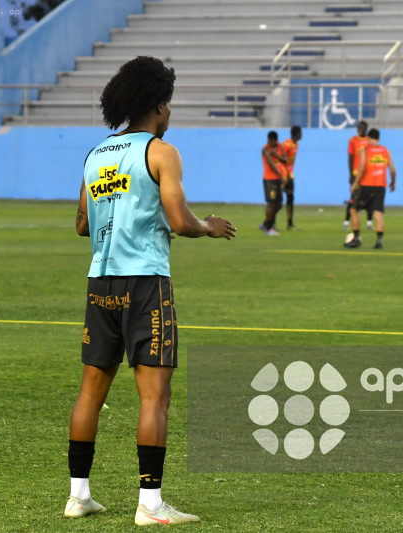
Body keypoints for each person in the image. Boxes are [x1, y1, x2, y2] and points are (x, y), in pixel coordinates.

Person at [67, 56, 236, 525]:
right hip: (145, 283)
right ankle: (150, 503)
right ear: (159, 105)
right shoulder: (162, 152)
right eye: (169, 104)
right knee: (154, 396)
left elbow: (81, 224)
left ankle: (78, 496)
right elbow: (180, 221)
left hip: (100, 283)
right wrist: (209, 225)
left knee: (90, 392)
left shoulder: (96, 154)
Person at [345, 128, 396, 249]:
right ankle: (379, 242)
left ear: (368, 137)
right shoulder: (386, 151)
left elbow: (362, 167)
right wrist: (393, 182)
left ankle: (356, 238)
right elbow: (392, 170)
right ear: (378, 138)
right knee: (378, 213)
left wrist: (355, 183)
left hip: (366, 186)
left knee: (353, 210)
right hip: (380, 187)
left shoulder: (365, 150)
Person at [344, 120, 374, 230]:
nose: (359, 129)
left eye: (361, 127)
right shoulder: (353, 140)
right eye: (358, 127)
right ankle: (346, 222)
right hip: (357, 173)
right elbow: (350, 158)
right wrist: (351, 175)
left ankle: (369, 222)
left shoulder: (369, 140)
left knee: (370, 197)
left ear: (365, 128)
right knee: (354, 197)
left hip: (368, 174)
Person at [260, 130, 288, 236]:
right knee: (271, 204)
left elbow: (285, 160)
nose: (270, 143)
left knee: (279, 204)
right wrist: (281, 176)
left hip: (277, 180)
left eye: (272, 141)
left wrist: (276, 155)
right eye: (269, 141)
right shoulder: (265, 149)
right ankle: (269, 229)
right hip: (269, 180)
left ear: (276, 140)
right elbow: (271, 165)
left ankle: (265, 224)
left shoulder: (280, 147)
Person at [282, 125, 302, 229]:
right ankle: (271, 224)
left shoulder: (296, 144)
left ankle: (290, 224)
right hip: (283, 175)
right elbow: (280, 159)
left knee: (290, 197)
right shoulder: (286, 145)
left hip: (290, 175)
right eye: (301, 133)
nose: (302, 135)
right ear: (297, 134)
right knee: (276, 200)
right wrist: (283, 173)